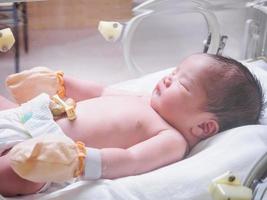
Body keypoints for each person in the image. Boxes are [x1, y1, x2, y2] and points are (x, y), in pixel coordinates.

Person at [0, 53, 264, 197]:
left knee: (12, 173)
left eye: (182, 83)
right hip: (28, 117)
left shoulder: (171, 140)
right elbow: (100, 92)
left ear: (204, 127)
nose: (168, 79)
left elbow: (128, 159)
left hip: (48, 156)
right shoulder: (144, 99)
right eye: (174, 72)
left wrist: (79, 161)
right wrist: (61, 83)